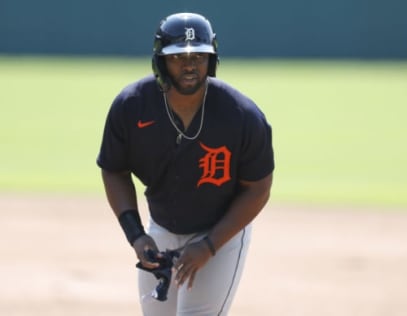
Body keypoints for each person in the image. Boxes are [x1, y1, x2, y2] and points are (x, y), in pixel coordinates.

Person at [96, 12, 274, 316]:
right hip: (162, 227)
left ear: (212, 60)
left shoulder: (242, 116)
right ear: (160, 62)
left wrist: (208, 246)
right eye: (178, 57)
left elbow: (258, 189)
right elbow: (114, 168)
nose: (190, 64)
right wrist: (136, 235)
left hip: (221, 232)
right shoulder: (131, 106)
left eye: (199, 56)